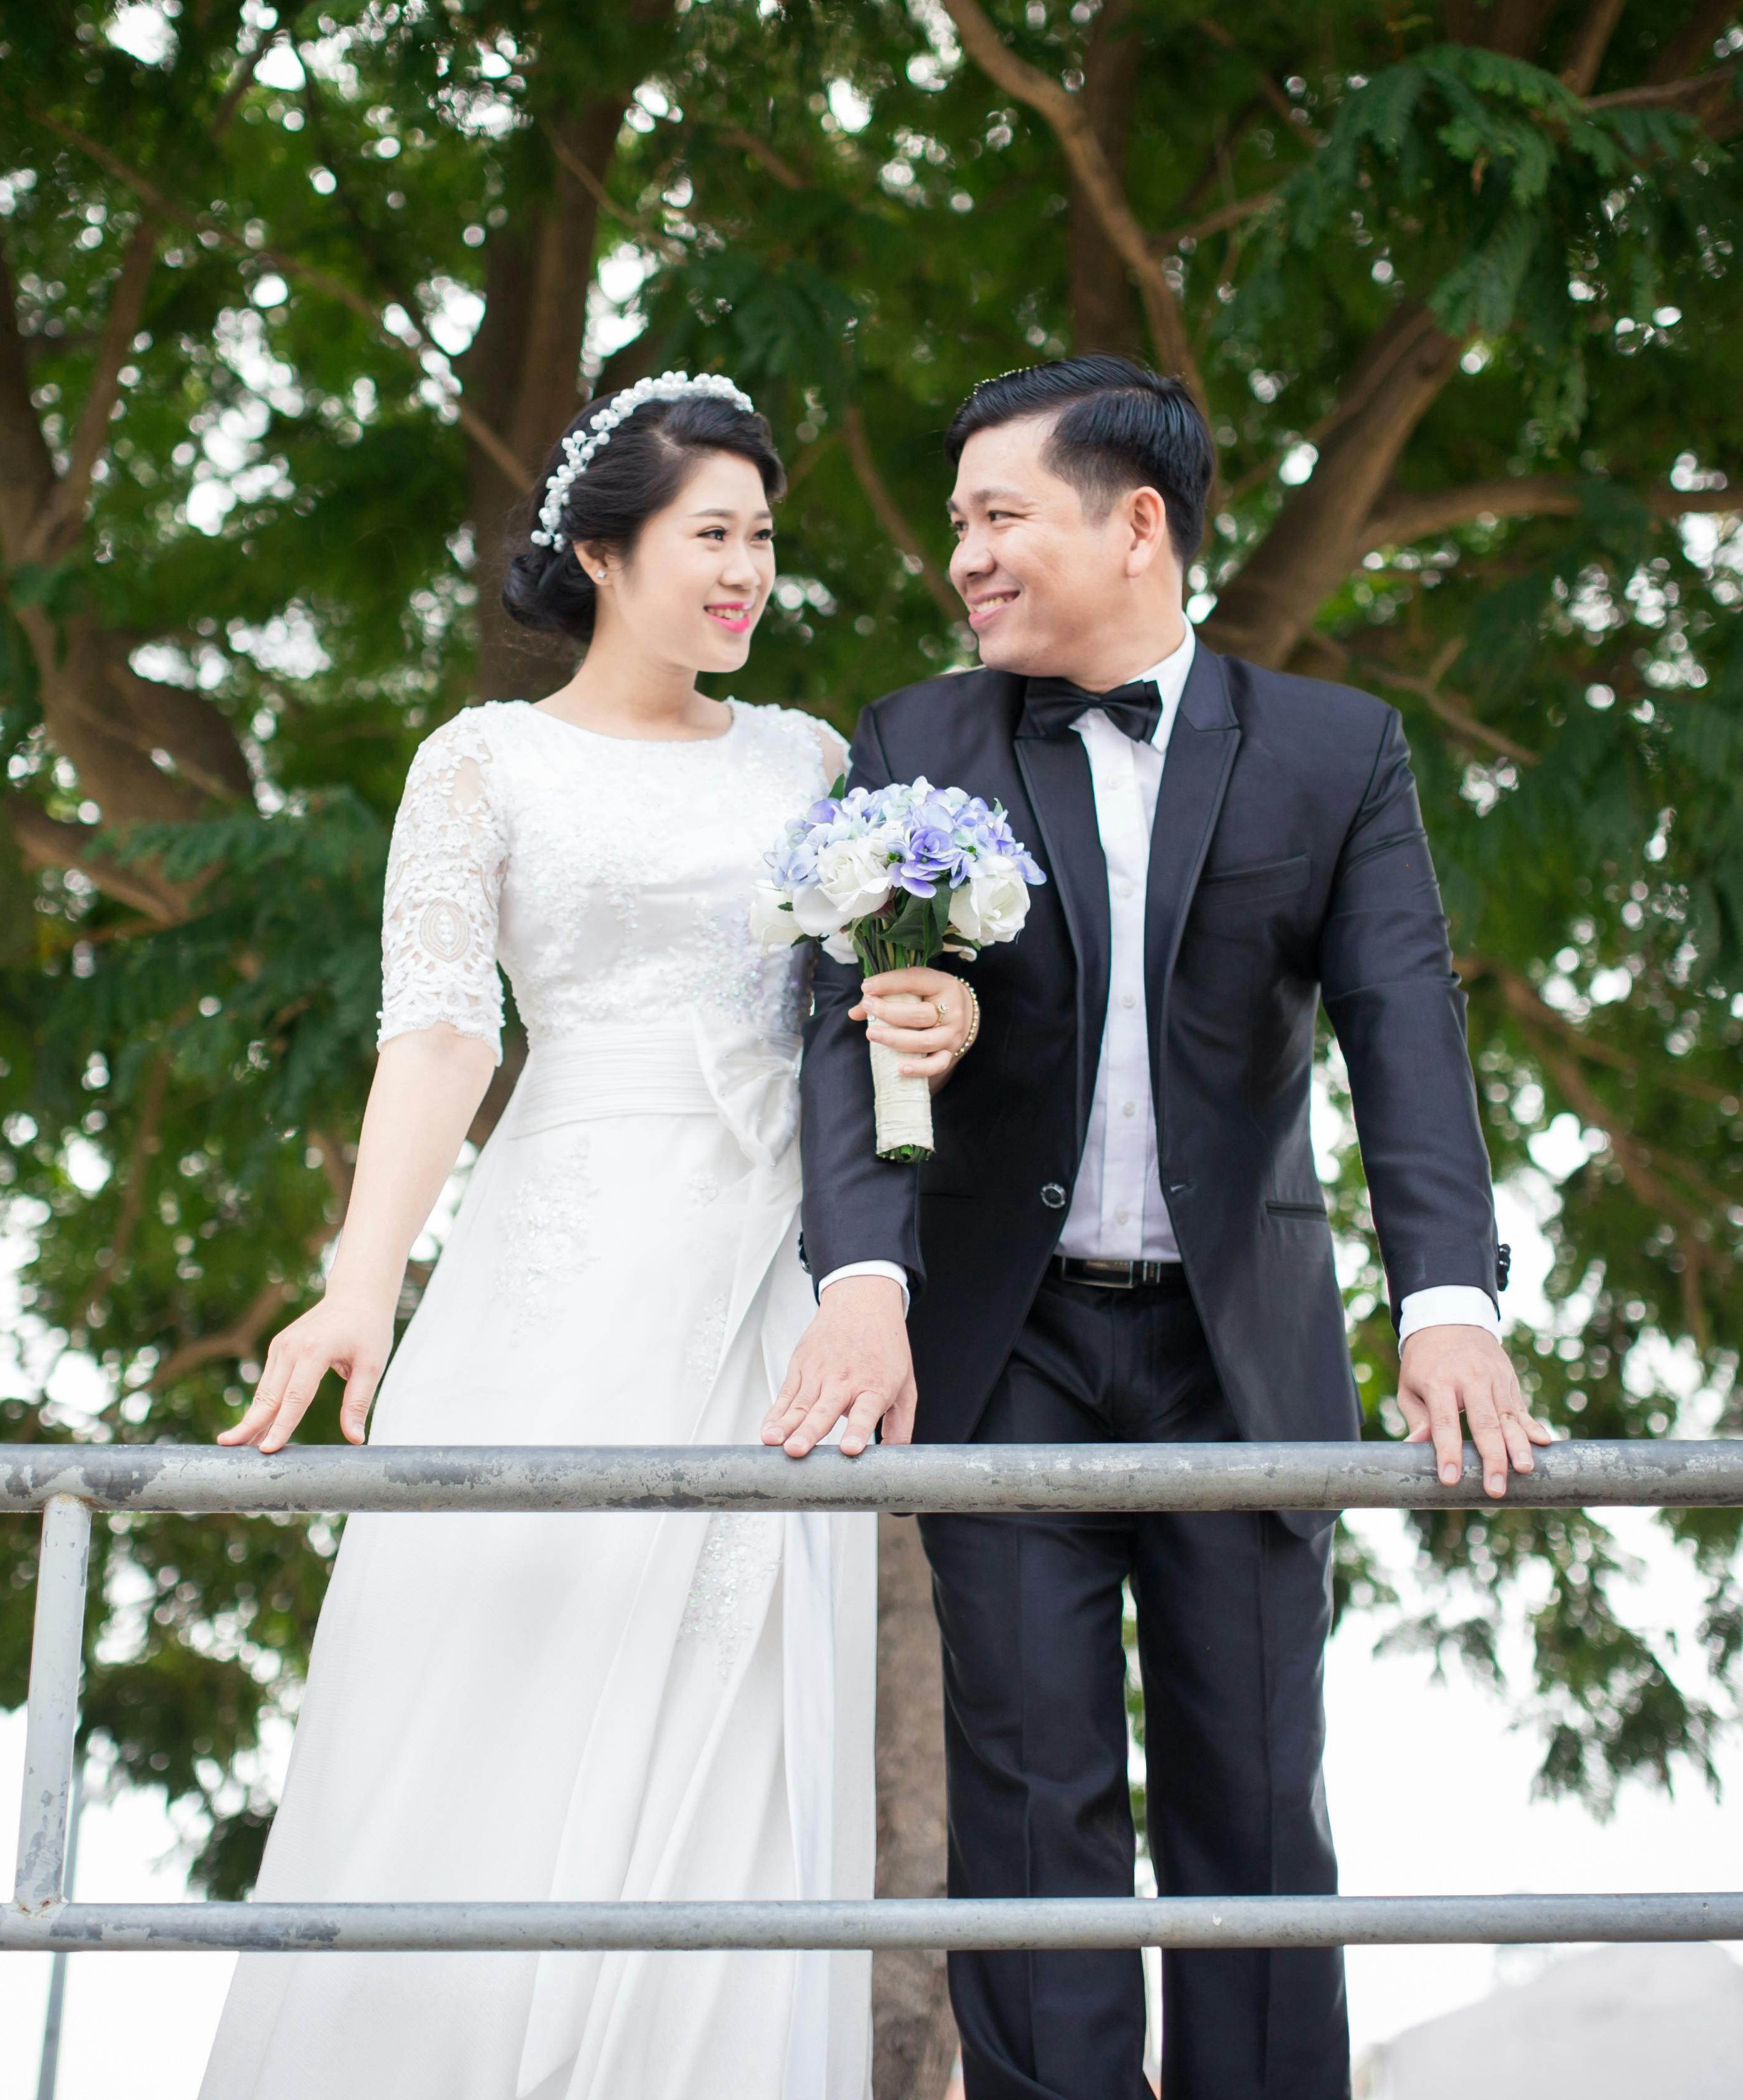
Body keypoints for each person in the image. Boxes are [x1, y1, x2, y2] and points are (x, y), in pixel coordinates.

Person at [773, 355, 1551, 2100]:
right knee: (1036, 1802)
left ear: (1138, 524)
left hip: (1241, 1353)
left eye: (999, 516)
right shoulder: (919, 740)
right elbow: (857, 1020)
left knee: (1256, 1803)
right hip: (1006, 1344)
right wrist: (869, 1277)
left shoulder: (1336, 754)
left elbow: (1405, 1026)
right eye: (958, 520)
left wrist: (1449, 1301)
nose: (964, 555)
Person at [197, 373, 976, 2099]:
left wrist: (939, 1023)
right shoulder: (484, 762)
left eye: (765, 537)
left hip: (771, 1283)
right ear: (602, 549)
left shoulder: (816, 763)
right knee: (506, 1681)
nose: (747, 570)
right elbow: (442, 1032)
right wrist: (355, 1281)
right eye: (714, 533)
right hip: (564, 1261)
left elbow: (861, 1020)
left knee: (744, 1726)